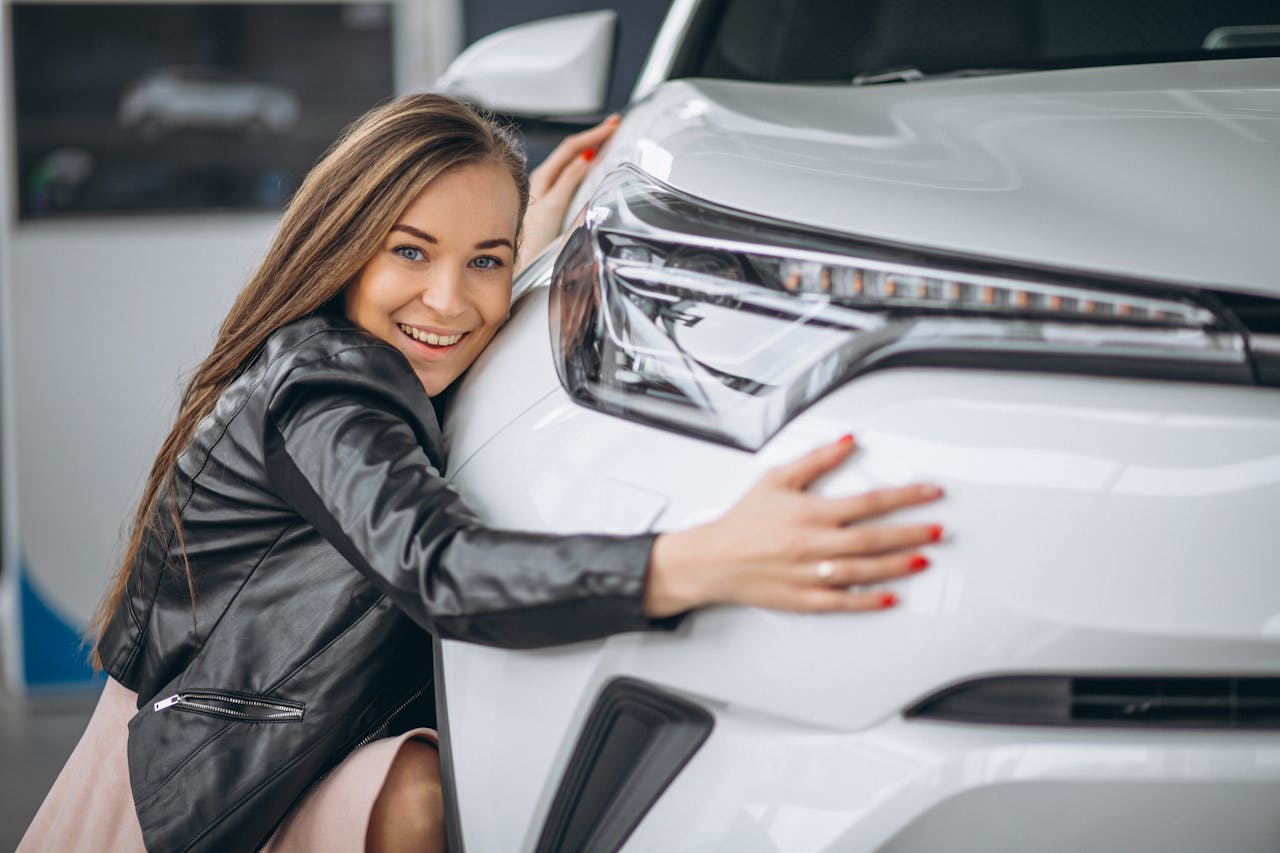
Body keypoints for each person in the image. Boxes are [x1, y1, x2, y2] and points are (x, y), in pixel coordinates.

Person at [19, 94, 945, 853]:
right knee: (416, 792)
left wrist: (526, 242)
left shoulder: (348, 353)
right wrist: (703, 561)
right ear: (344, 243)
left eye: (485, 262)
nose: (450, 299)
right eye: (411, 250)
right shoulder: (326, 390)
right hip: (186, 779)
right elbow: (443, 567)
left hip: (222, 740)